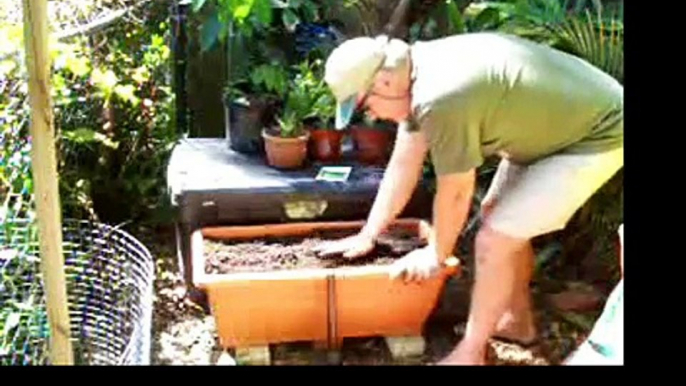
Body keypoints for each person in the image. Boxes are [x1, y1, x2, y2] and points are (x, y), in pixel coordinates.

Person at [312, 31, 624, 365]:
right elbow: (403, 164)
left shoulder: (441, 96)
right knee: (496, 216)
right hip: (553, 133)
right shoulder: (416, 72)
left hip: (598, 133)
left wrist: (436, 253)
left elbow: (457, 190)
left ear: (386, 82)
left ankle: (471, 353)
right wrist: (368, 235)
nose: (372, 116)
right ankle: (517, 323)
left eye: (365, 105)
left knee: (495, 239)